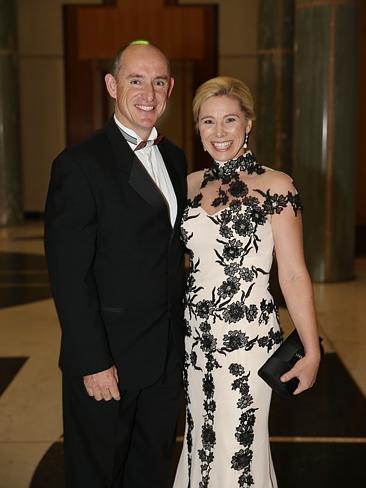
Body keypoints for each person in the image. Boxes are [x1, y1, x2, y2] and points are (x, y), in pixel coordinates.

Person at [44, 40, 187, 488]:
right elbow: (69, 274)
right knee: (98, 474)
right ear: (111, 85)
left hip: (165, 357)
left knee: (150, 468)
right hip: (110, 359)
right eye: (135, 80)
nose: (149, 92)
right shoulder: (80, 165)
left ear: (170, 89)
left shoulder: (175, 158)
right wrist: (92, 360)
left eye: (159, 81)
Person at [173, 76, 321, 487]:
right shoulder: (187, 185)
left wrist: (311, 351)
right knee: (201, 443)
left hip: (247, 342)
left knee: (239, 450)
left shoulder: (277, 185)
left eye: (230, 120)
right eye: (208, 122)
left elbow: (292, 273)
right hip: (195, 341)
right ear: (197, 127)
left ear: (249, 124)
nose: (219, 133)